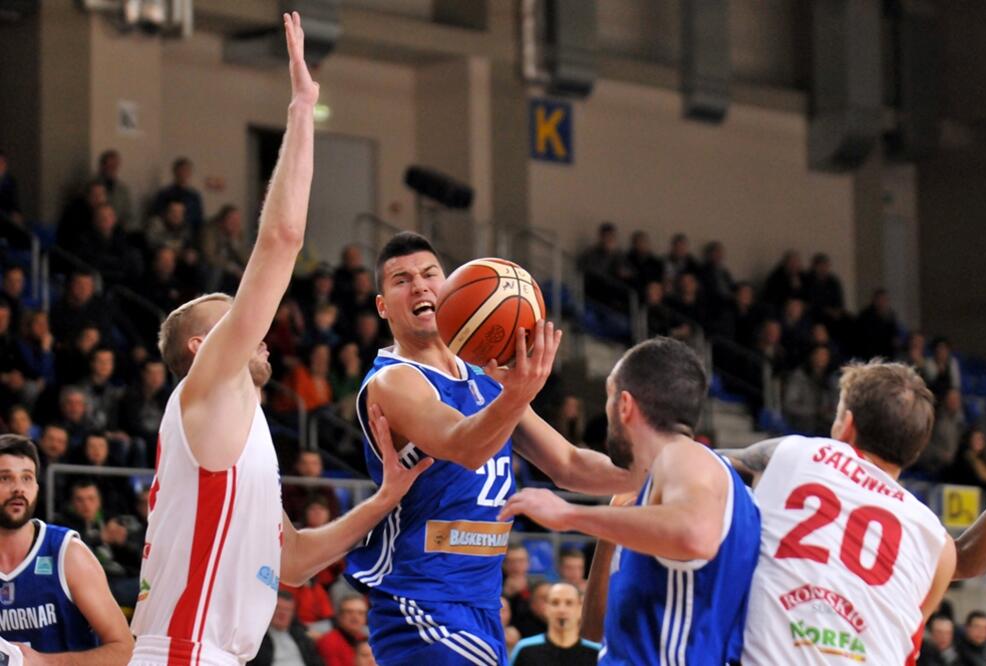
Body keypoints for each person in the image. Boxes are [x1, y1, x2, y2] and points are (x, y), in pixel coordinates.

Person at [128, 15, 431, 666]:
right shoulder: (206, 388)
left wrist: (383, 499)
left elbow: (291, 561)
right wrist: (300, 110)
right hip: (184, 653)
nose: (254, 327)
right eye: (231, 316)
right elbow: (281, 240)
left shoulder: (244, 433)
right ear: (198, 348)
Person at [346, 232, 640, 665]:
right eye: (401, 280)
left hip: (480, 604)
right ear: (383, 305)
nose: (420, 286)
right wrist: (518, 393)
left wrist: (653, 470)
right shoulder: (394, 381)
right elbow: (465, 446)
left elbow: (568, 464)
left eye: (430, 275)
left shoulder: (486, 381)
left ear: (448, 288)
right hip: (419, 603)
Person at [499, 337, 761, 665]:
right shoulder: (661, 484)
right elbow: (595, 633)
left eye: (608, 398)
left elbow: (696, 533)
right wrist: (507, 395)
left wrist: (569, 515)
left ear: (624, 405)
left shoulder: (685, 458)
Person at [721, 361, 955, 664]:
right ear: (916, 450)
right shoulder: (939, 544)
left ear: (846, 425)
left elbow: (709, 464)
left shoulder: (793, 452)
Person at [0, 434, 133, 663]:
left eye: (27, 478)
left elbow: (124, 650)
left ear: (37, 487)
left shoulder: (68, 553)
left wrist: (44, 662)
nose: (18, 489)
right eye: (5, 478)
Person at [508, 583, 599, 666]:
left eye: (569, 603)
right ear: (546, 609)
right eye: (555, 603)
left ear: (580, 609)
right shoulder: (525, 649)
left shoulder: (597, 653)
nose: (562, 610)